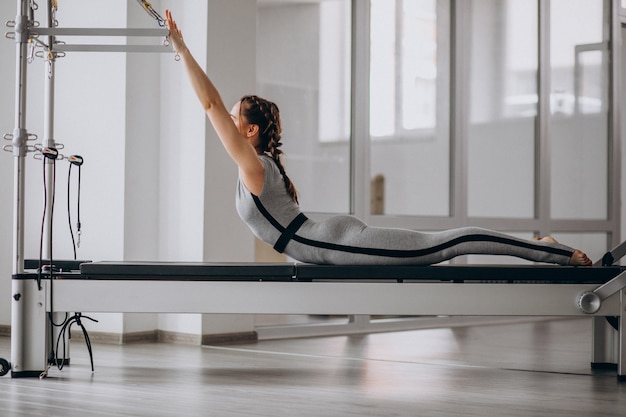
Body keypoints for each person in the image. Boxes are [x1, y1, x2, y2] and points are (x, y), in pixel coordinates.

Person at [164, 10, 592, 267]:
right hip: (333, 240)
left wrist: (182, 49)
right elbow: (217, 108)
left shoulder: (255, 167)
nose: (228, 119)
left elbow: (210, 105)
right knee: (446, 244)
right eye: (234, 114)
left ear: (249, 131)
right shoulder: (254, 169)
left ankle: (547, 251)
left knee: (448, 244)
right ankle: (539, 245)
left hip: (341, 244)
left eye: (236, 117)